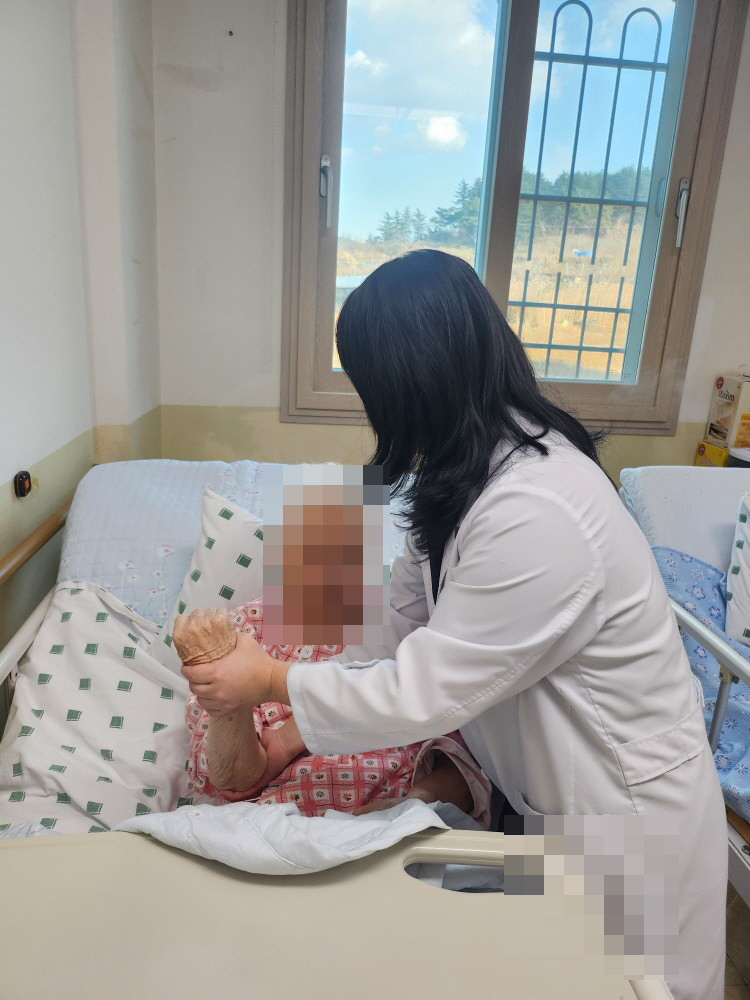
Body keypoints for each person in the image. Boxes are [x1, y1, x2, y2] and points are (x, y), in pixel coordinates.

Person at [181, 249, 727, 1000]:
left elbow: (425, 692)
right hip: (547, 807)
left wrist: (269, 679)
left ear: (411, 385)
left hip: (628, 819)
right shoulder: (463, 476)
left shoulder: (539, 508)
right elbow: (395, 629)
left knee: (636, 986)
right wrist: (291, 733)